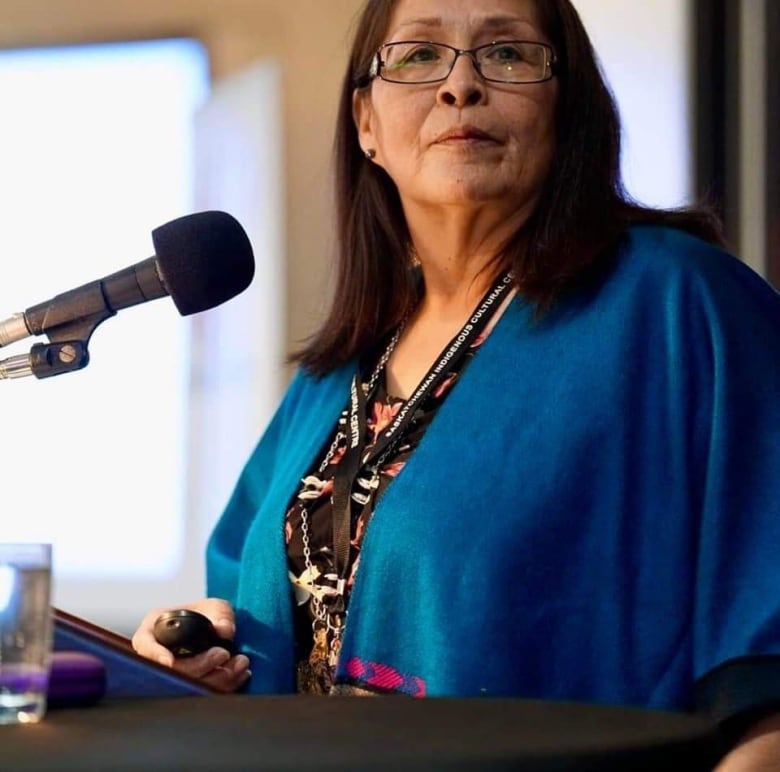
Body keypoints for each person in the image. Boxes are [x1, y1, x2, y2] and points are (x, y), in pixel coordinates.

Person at [133, 0, 780, 766]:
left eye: (507, 54)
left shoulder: (682, 305)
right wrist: (185, 659)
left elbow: (764, 671)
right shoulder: (337, 371)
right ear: (366, 124)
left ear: (568, 105)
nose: (461, 85)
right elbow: (240, 613)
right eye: (417, 56)